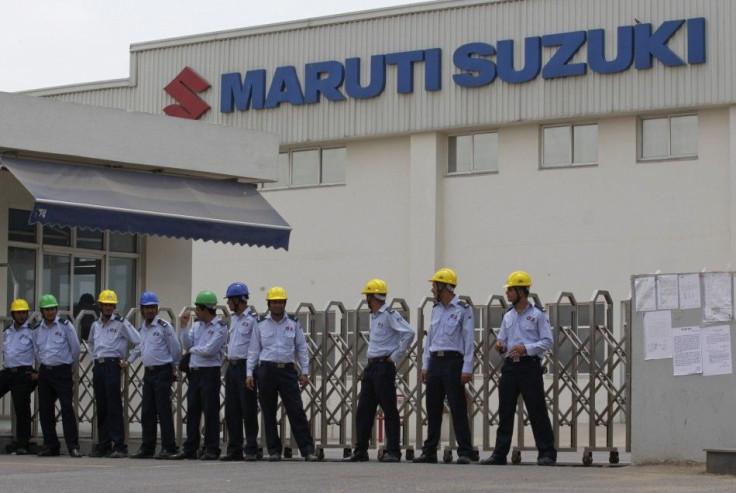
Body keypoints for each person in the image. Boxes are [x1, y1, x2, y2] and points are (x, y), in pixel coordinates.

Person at [481, 270, 556, 466]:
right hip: (509, 367)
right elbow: (502, 339)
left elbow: (548, 341)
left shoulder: (538, 315)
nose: (507, 294)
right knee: (505, 410)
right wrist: (500, 345)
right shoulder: (508, 316)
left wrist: (526, 348)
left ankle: (547, 452)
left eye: (510, 290)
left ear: (521, 292)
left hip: (529, 367)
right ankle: (499, 453)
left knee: (536, 409)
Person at [344, 279, 415, 463]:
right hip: (372, 366)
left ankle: (393, 451)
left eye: (368, 296)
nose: (366, 300)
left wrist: (396, 356)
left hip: (384, 365)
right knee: (364, 409)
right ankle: (361, 450)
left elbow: (409, 332)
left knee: (389, 409)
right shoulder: (374, 316)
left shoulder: (389, 314)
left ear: (372, 297)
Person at [246, 287, 318, 462]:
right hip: (266, 371)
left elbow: (301, 348)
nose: (278, 305)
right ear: (269, 304)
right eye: (274, 302)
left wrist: (305, 372)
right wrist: (249, 373)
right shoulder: (260, 323)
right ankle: (274, 450)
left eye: (280, 302)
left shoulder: (293, 322)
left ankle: (307, 450)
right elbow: (254, 350)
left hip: (287, 371)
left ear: (285, 303)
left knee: (296, 411)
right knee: (268, 412)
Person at [413, 268, 474, 465]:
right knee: (432, 407)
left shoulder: (463, 309)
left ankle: (465, 450)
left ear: (443, 287)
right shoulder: (436, 309)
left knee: (457, 407)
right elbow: (430, 338)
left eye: (434, 286)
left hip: (453, 361)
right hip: (436, 361)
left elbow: (468, 339)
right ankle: (430, 450)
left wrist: (467, 368)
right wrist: (425, 365)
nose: (432, 289)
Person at [171, 290, 227, 460]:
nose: (195, 311)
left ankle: (211, 447)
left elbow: (210, 350)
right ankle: (190, 447)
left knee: (210, 411)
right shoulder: (196, 325)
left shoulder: (220, 328)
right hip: (195, 372)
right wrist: (183, 327)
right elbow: (187, 343)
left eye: (198, 308)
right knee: (193, 411)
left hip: (210, 372)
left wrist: (193, 350)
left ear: (205, 309)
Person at [126, 291, 181, 459]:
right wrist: (128, 361)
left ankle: (168, 446)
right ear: (141, 310)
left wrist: (174, 367)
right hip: (148, 373)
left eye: (152, 307)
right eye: (146, 308)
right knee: (147, 411)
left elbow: (176, 348)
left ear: (156, 308)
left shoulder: (164, 326)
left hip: (162, 371)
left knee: (163, 410)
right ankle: (147, 446)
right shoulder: (142, 329)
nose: (149, 311)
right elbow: (139, 348)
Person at [87, 289, 141, 458]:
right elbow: (90, 343)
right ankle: (104, 444)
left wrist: (128, 360)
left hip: (112, 364)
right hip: (99, 365)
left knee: (114, 406)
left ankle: (118, 445)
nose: (108, 308)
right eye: (105, 305)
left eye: (111, 305)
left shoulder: (121, 323)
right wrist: (93, 358)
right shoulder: (96, 324)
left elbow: (138, 341)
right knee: (101, 406)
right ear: (100, 306)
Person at [34, 293, 82, 458]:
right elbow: (36, 351)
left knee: (67, 408)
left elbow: (75, 350)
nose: (50, 312)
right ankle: (50, 445)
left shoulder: (65, 325)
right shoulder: (36, 329)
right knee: (45, 409)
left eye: (53, 309)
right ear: (42, 311)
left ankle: (73, 446)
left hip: (62, 372)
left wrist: (70, 369)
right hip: (45, 372)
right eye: (47, 309)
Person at [221, 282, 259, 462]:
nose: (228, 303)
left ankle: (251, 448)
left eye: (230, 299)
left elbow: (253, 348)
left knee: (248, 410)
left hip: (245, 366)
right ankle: (234, 448)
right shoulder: (234, 319)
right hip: (232, 366)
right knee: (232, 410)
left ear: (238, 299)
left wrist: (250, 372)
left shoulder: (252, 320)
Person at [1, 299, 38, 455]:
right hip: (8, 371)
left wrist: (38, 372)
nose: (21, 315)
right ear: (13, 314)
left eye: (24, 312)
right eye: (18, 312)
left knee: (22, 409)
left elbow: (40, 351)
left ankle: (23, 444)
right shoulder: (7, 332)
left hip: (24, 373)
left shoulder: (32, 332)